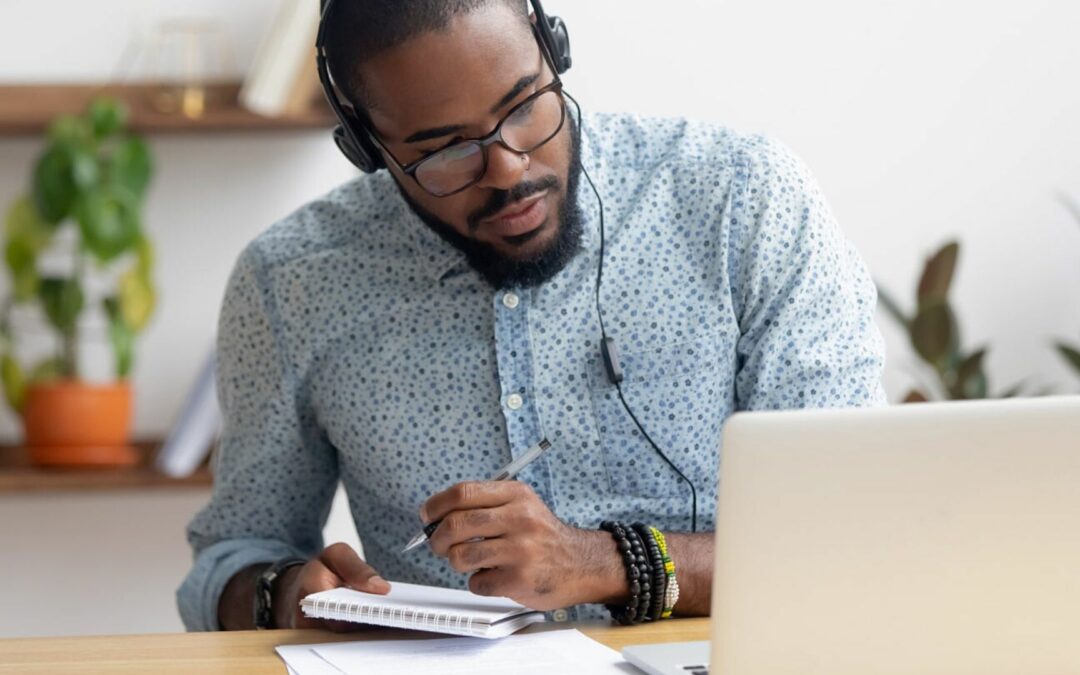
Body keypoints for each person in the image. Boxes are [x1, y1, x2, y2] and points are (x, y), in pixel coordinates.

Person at [178, 0, 886, 632]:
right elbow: (230, 560)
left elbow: (852, 535)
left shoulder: (743, 200)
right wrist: (283, 592)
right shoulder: (289, 281)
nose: (510, 169)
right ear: (367, 149)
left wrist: (606, 561)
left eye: (525, 106)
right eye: (445, 150)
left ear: (554, 49)